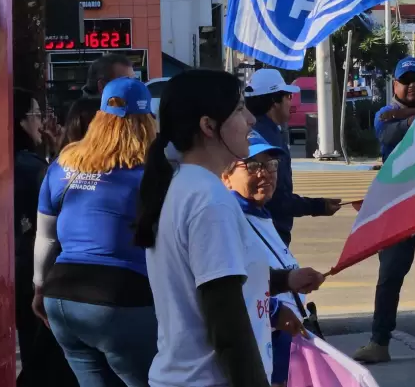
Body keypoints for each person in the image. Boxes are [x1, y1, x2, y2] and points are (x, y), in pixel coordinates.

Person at [134, 69, 324, 387]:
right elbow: (226, 322)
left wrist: (284, 280)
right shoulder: (209, 200)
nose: (250, 119)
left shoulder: (188, 185)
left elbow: (220, 282)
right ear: (208, 126)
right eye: (238, 109)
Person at [33, 77, 158, 387]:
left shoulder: (64, 164)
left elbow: (46, 236)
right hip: (121, 298)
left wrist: (38, 287)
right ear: (147, 120)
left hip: (62, 296)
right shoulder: (153, 171)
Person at [354, 57, 415, 363]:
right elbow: (391, 135)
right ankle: (379, 342)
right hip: (397, 205)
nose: (411, 86)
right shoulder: (384, 114)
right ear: (394, 85)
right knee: (391, 275)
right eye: (405, 80)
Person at [221, 131, 309, 387]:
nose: (265, 173)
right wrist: (274, 312)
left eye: (271, 165)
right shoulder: (230, 219)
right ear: (225, 177)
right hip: (262, 345)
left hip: (280, 345)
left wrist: (293, 279)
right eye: (253, 165)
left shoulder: (259, 213)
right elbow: (233, 287)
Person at [13, 88, 78, 387]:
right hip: (30, 274)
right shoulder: (32, 167)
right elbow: (51, 222)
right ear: (19, 122)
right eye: (35, 115)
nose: (40, 123)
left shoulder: (26, 163)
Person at [245, 69, 341, 246]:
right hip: (270, 233)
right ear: (274, 101)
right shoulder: (267, 142)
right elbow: (277, 199)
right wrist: (317, 206)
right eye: (288, 96)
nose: (291, 101)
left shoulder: (258, 130)